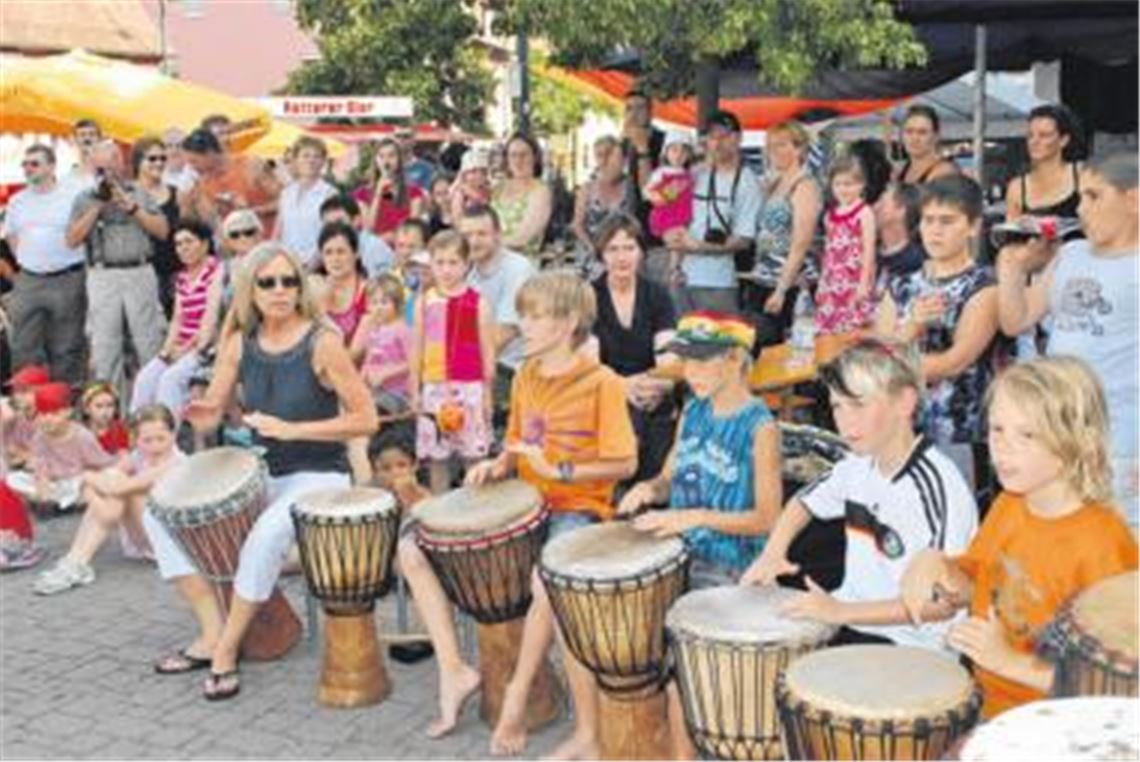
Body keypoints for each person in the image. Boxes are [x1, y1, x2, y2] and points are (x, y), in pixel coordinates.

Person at [397, 271, 636, 748]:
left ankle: (517, 695)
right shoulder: (527, 373)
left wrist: (560, 469)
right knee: (410, 547)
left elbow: (625, 461)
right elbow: (520, 443)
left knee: (543, 579)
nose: (523, 323)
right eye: (523, 313)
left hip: (579, 508)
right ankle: (453, 670)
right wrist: (498, 463)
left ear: (568, 323)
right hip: (526, 503)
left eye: (535, 315)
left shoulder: (602, 382)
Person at [148, 241, 376, 700]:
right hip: (265, 473)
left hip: (319, 476)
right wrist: (204, 413)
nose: (279, 290)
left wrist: (293, 429)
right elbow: (213, 410)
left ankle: (226, 650)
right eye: (267, 282)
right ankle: (212, 628)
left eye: (288, 280)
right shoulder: (238, 343)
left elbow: (366, 418)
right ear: (250, 290)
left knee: (264, 535)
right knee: (159, 515)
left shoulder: (322, 342)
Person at [901, 356, 1138, 719]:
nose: (1003, 448)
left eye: (1027, 434)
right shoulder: (1011, 503)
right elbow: (977, 582)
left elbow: (1122, 683)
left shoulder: (1104, 543)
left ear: (1077, 441)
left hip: (1064, 726)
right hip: (992, 704)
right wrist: (934, 563)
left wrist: (1010, 662)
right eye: (997, 429)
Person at [615, 312, 784, 761]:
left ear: (734, 360)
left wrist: (693, 517)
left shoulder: (759, 427)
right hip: (680, 551)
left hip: (731, 566)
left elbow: (769, 518)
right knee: (659, 665)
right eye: (686, 363)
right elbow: (671, 475)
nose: (690, 373)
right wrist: (650, 488)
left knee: (689, 676)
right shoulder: (692, 410)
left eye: (701, 362)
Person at [743, 337, 977, 646]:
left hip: (913, 645)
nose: (844, 421)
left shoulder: (936, 486)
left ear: (904, 403)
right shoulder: (857, 465)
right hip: (853, 622)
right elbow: (804, 502)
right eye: (837, 407)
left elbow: (942, 605)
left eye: (859, 404)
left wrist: (841, 611)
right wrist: (773, 553)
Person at [996, 151, 1138, 525]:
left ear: (1133, 199)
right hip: (1058, 435)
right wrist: (1012, 267)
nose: (1082, 210)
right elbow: (1016, 320)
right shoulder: (1071, 254)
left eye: (1095, 197)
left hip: (1121, 441)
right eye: (1081, 198)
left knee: (1119, 555)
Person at [877, 175, 1002, 489]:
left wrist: (892, 363)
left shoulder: (983, 286)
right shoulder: (901, 283)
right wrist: (911, 327)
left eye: (947, 221)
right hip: (900, 429)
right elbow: (876, 356)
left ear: (973, 226)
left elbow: (954, 363)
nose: (935, 230)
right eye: (928, 220)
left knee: (957, 526)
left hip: (960, 430)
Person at [33, 405, 184, 596]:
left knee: (123, 488)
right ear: (136, 440)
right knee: (113, 479)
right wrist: (92, 484)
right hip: (140, 534)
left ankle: (77, 562)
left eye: (161, 439)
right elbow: (109, 477)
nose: (154, 446)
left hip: (166, 543)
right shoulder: (139, 455)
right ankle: (75, 560)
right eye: (147, 440)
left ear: (173, 434)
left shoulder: (176, 463)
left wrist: (86, 479)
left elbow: (118, 488)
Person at [67, 139, 169, 389]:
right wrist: (97, 208)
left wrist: (133, 208)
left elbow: (163, 231)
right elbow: (71, 239)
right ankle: (109, 411)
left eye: (111, 166)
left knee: (148, 342)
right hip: (103, 274)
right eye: (100, 169)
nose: (107, 174)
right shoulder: (84, 198)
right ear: (92, 168)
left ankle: (151, 407)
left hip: (139, 270)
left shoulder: (139, 193)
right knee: (105, 345)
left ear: (121, 164)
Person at [590, 214, 677, 484]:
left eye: (629, 248)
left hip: (653, 387)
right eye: (612, 249)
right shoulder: (589, 296)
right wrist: (624, 387)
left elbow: (669, 357)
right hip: (605, 389)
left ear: (641, 252)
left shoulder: (657, 295)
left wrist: (659, 385)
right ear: (601, 255)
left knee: (659, 411)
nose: (621, 257)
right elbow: (589, 364)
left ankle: (655, 492)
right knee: (630, 416)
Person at [409, 231, 494, 494]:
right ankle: (439, 510)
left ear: (467, 264)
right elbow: (417, 348)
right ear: (431, 265)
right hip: (434, 386)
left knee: (473, 455)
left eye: (453, 262)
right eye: (440, 262)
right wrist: (415, 390)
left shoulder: (478, 303)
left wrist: (487, 393)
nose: (446, 269)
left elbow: (487, 350)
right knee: (437, 457)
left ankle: (478, 509)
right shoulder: (424, 302)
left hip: (469, 387)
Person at [4, 145, 88, 385]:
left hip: (68, 278)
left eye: (34, 163)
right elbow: (12, 237)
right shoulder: (18, 200)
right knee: (24, 346)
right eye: (25, 164)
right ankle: (26, 406)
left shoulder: (73, 194)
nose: (28, 169)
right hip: (30, 280)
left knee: (67, 346)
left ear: (52, 166)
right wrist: (28, 261)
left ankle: (64, 402)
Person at [671, 110, 761, 314]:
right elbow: (677, 218)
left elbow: (743, 240)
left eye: (724, 136)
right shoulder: (696, 174)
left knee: (719, 342)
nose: (717, 143)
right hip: (683, 278)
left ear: (738, 139)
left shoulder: (747, 182)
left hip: (718, 284)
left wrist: (700, 247)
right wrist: (674, 266)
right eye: (712, 137)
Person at [130, 220, 223, 417]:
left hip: (207, 347)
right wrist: (166, 351)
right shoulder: (182, 277)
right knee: (145, 378)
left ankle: (167, 437)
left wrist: (186, 349)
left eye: (189, 241)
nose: (183, 248)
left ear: (205, 243)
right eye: (178, 244)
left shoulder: (216, 271)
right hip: (182, 346)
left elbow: (210, 319)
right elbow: (177, 320)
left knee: (170, 380)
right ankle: (137, 435)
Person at [460, 205, 537, 432]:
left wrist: (457, 369)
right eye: (467, 235)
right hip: (481, 364)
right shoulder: (466, 272)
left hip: (515, 369)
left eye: (481, 234)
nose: (473, 241)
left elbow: (503, 335)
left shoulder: (517, 268)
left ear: (498, 235)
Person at [749, 120, 824, 346]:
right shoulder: (774, 183)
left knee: (783, 348)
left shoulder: (805, 186)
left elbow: (801, 243)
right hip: (763, 277)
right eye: (771, 146)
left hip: (790, 282)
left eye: (782, 145)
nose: (774, 151)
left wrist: (782, 288)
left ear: (799, 149)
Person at [7, 382, 118, 513]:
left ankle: (68, 503)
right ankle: (53, 503)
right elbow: (41, 468)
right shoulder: (39, 437)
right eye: (43, 414)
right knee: (12, 479)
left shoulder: (81, 436)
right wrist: (44, 490)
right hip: (54, 484)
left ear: (68, 412)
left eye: (54, 413)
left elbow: (101, 462)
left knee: (93, 481)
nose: (47, 419)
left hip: (76, 481)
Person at [815, 155, 877, 336]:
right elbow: (828, 251)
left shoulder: (864, 212)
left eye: (849, 184)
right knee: (830, 327)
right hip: (832, 278)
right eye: (838, 184)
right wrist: (823, 282)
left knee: (853, 326)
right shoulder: (830, 215)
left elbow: (869, 249)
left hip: (854, 279)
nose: (843, 189)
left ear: (861, 185)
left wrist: (864, 283)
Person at [180, 128, 282, 234]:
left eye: (194, 161)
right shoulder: (204, 183)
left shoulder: (249, 165)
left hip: (270, 240)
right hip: (238, 246)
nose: (192, 167)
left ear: (210, 153)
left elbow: (284, 202)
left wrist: (253, 211)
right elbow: (211, 223)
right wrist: (189, 204)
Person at [1004, 104, 1085, 226]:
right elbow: (1011, 236)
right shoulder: (1017, 188)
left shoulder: (1083, 175)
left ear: (1064, 140)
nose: (1034, 142)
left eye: (1044, 135)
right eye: (1030, 135)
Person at [572, 136, 640, 275]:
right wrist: (593, 248)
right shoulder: (587, 188)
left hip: (619, 253)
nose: (622, 164)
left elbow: (630, 223)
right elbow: (577, 225)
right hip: (591, 254)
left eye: (622, 159)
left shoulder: (628, 186)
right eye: (618, 159)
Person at [132, 136, 181, 319]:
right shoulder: (128, 194)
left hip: (174, 273)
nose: (159, 163)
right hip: (141, 274)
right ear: (138, 161)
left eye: (163, 158)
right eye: (152, 158)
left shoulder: (176, 192)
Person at [350, 274, 411, 416]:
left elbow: (413, 363)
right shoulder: (374, 330)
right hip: (375, 390)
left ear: (397, 304)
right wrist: (360, 380)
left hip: (398, 393)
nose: (378, 308)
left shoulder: (402, 330)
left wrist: (386, 373)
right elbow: (369, 359)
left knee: (375, 407)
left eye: (384, 302)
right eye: (374, 302)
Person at [272, 136, 338, 267]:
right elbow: (278, 232)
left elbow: (330, 236)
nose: (311, 160)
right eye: (305, 156)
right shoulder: (286, 193)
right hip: (286, 264)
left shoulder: (329, 194)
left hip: (316, 266)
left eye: (316, 156)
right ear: (295, 160)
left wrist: (310, 268)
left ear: (323, 161)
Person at [491, 133, 552, 259]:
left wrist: (486, 244)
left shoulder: (540, 191)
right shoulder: (497, 188)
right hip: (491, 261)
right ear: (507, 159)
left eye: (524, 155)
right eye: (513, 155)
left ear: (535, 157)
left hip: (521, 264)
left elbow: (523, 237)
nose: (518, 161)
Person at [355, 138, 427, 244]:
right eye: (381, 156)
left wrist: (393, 236)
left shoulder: (414, 193)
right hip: (375, 249)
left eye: (391, 155)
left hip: (403, 249)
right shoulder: (362, 194)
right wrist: (379, 192)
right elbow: (368, 229)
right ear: (376, 160)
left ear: (399, 159)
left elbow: (413, 231)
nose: (386, 161)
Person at [314, 222, 369, 345]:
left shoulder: (371, 291)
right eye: (328, 252)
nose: (335, 259)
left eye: (341, 252)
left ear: (356, 253)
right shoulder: (313, 288)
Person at [318, 194, 396, 279]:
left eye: (339, 222)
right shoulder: (327, 248)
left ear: (356, 220)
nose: (334, 229)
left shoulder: (374, 248)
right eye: (329, 225)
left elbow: (382, 287)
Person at [644, 131, 695, 243]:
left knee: (681, 247)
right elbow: (647, 190)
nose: (678, 155)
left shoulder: (689, 173)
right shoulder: (661, 172)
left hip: (683, 217)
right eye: (674, 150)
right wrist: (657, 196)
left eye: (684, 151)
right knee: (677, 244)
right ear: (666, 152)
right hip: (667, 217)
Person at [874, 182, 926, 291]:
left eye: (882, 202)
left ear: (901, 210)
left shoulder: (917, 262)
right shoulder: (867, 250)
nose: (874, 207)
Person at [895, 105, 959, 185]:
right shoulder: (900, 171)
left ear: (936, 136)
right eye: (909, 131)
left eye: (922, 132)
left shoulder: (944, 172)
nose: (915, 138)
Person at [2, 365, 50, 470]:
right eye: (15, 391)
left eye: (24, 391)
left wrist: (20, 454)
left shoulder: (50, 419)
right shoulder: (17, 416)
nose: (17, 396)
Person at [80, 382, 129, 456]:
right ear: (87, 409)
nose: (105, 411)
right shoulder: (79, 432)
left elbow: (124, 456)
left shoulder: (121, 430)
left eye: (110, 405)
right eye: (99, 406)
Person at [449, 150, 492, 225]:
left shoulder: (489, 191)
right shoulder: (461, 194)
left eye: (482, 171)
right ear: (464, 174)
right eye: (473, 171)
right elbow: (458, 220)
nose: (478, 175)